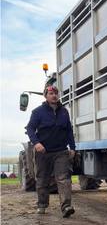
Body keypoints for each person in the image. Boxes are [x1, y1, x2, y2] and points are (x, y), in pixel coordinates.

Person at [26, 85, 76, 217]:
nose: (54, 95)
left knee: (63, 179)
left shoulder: (64, 112)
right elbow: (30, 129)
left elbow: (69, 131)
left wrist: (73, 147)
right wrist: (36, 143)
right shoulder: (37, 112)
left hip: (61, 151)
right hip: (43, 152)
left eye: (56, 93)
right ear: (45, 96)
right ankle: (42, 204)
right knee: (42, 179)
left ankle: (66, 207)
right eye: (50, 93)